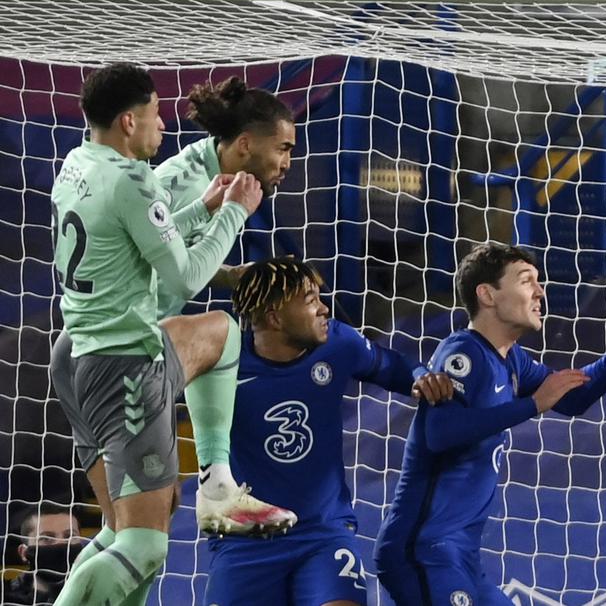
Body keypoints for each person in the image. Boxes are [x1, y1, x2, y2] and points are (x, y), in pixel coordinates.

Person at [47, 63, 294, 606]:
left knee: (126, 532)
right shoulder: (145, 176)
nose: (165, 126)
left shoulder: (78, 163)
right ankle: (217, 484)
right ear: (129, 122)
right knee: (143, 545)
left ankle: (216, 484)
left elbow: (130, 238)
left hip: (80, 353)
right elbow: (179, 274)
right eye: (157, 114)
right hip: (124, 360)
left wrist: (203, 213)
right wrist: (230, 214)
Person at [373, 242, 606, 606]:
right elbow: (439, 433)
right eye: (527, 282)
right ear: (488, 295)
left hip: (461, 556)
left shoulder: (511, 360)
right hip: (423, 550)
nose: (540, 292)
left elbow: (571, 397)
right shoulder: (462, 354)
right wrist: (532, 405)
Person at [203, 256, 455, 606]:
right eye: (310, 301)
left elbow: (394, 366)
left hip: (322, 533)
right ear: (274, 317)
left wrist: (421, 377)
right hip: (244, 541)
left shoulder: (339, 343)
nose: (324, 309)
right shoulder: (223, 361)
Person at [154, 74, 296, 308]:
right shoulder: (183, 188)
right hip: (123, 334)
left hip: (145, 328)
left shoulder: (217, 168)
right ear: (245, 145)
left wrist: (231, 275)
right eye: (282, 149)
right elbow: (138, 269)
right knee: (226, 330)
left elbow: (173, 259)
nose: (287, 163)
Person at [5, 504, 84, 605]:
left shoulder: (102, 594)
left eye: (69, 536)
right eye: (46, 538)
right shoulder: (6, 598)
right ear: (23, 553)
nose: (61, 544)